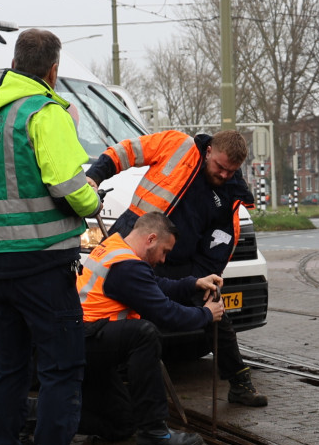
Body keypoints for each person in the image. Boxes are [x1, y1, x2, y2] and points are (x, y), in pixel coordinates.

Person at [0, 29, 115, 445]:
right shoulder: (44, 113)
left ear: (15, 63)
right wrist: (93, 200)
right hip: (44, 264)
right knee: (60, 370)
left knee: (8, 370)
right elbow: (70, 187)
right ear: (52, 70)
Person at [85, 129, 267, 407]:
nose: (224, 175)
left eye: (231, 171)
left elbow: (216, 248)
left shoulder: (229, 195)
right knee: (127, 311)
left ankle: (239, 382)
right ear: (208, 151)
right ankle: (116, 378)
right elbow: (127, 151)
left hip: (178, 263)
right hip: (134, 244)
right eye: (220, 167)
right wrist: (94, 177)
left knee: (216, 313)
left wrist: (198, 282)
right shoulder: (176, 145)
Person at [75, 211, 223, 445]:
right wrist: (207, 314)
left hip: (87, 342)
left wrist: (193, 283)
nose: (164, 259)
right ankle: (155, 432)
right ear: (151, 239)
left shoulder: (114, 247)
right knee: (143, 334)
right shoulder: (126, 266)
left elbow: (153, 285)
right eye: (164, 251)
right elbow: (166, 314)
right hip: (87, 342)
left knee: (121, 424)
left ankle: (31, 415)